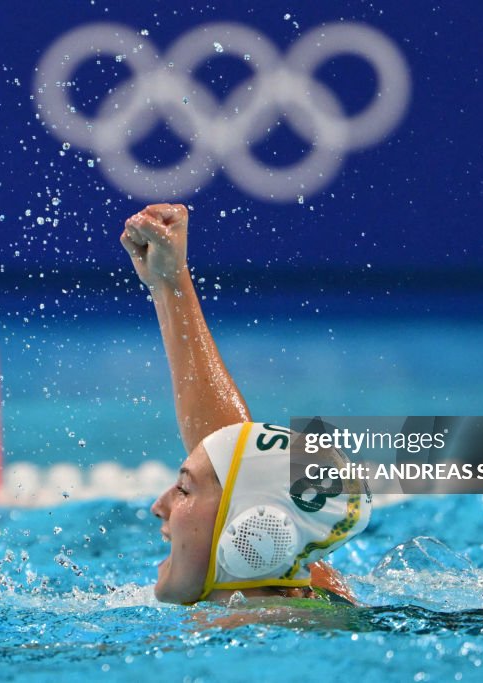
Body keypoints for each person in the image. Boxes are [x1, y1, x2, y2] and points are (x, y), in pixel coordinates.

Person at [121, 204, 371, 607]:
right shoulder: (292, 580)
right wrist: (170, 282)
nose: (158, 506)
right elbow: (230, 462)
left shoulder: (257, 630)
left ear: (251, 534)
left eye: (183, 490)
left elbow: (235, 476)